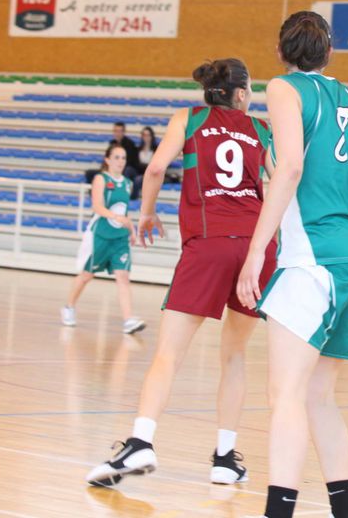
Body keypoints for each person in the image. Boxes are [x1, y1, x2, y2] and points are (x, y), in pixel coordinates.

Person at [235, 11, 348, 518]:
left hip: (313, 260)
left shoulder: (284, 88)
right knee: (318, 397)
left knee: (283, 394)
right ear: (329, 53)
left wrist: (256, 252)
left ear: (283, 51)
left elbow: (290, 168)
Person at [85, 58, 277, 488]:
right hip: (256, 250)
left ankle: (141, 441)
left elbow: (154, 169)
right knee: (235, 355)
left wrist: (148, 212)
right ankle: (225, 458)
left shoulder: (188, 119)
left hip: (208, 244)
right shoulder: (262, 129)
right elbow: (277, 185)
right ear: (242, 93)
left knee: (169, 354)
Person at [62, 144, 145, 335]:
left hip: (119, 238)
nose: (120, 161)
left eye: (123, 158)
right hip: (100, 234)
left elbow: (124, 211)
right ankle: (69, 307)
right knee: (86, 275)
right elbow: (97, 207)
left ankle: (128, 320)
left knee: (123, 276)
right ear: (107, 159)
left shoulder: (127, 183)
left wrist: (131, 230)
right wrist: (116, 218)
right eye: (116, 157)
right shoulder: (100, 178)